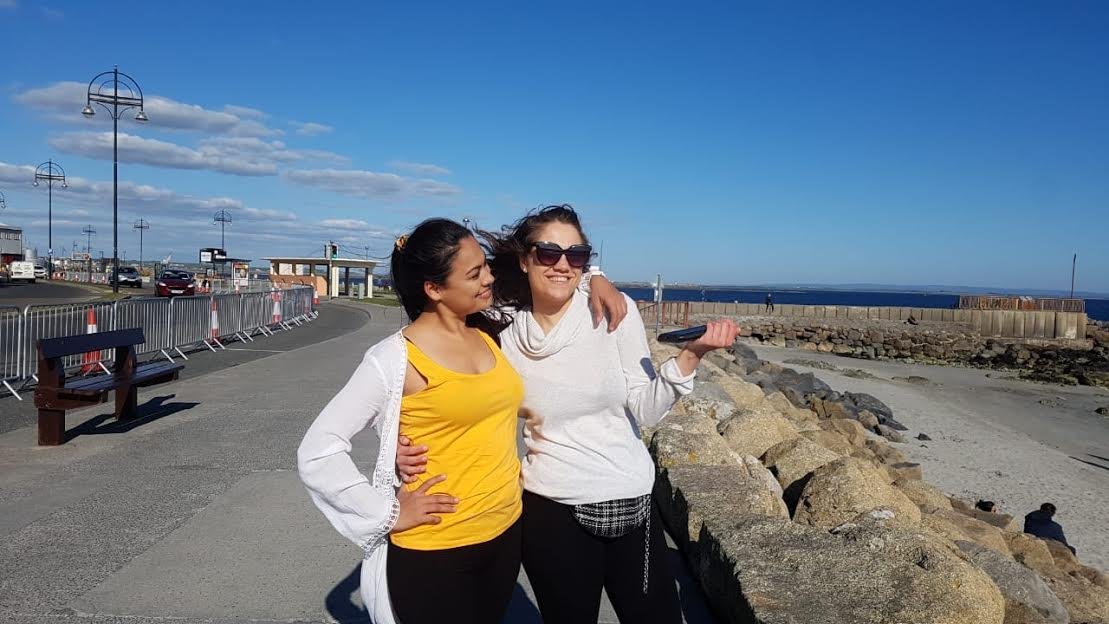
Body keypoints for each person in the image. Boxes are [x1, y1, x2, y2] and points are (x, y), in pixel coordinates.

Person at [400, 205, 738, 623]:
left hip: (631, 502)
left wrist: (690, 356)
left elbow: (645, 410)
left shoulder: (616, 312)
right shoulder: (500, 329)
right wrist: (400, 447)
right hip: (551, 510)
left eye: (576, 256)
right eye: (548, 253)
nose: (563, 264)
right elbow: (458, 401)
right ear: (524, 260)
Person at [296, 218, 626, 624]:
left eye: (485, 266)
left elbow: (548, 266)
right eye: (474, 274)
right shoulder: (395, 358)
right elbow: (319, 450)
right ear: (434, 289)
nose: (487, 278)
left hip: (505, 534)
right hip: (437, 545)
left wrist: (596, 276)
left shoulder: (487, 330)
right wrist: (385, 514)